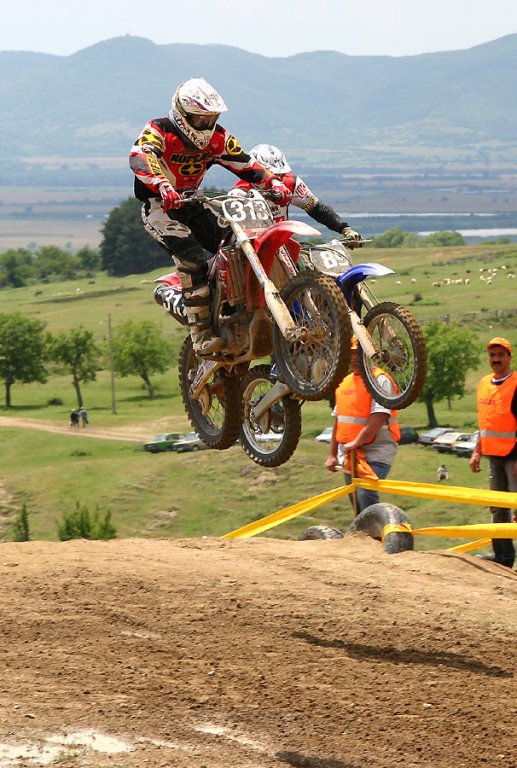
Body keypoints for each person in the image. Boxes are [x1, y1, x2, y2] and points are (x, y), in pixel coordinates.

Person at [129, 78, 291, 355]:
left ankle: (238, 305)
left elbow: (245, 163)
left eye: (211, 118)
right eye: (199, 118)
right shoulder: (159, 130)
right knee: (193, 259)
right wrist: (161, 184)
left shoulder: (218, 138)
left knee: (239, 241)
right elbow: (141, 155)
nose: (205, 125)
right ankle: (201, 333)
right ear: (181, 113)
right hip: (161, 208)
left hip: (194, 203)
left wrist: (272, 182)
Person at [325, 336, 400, 515]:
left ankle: (374, 531)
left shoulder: (380, 380)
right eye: (351, 354)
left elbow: (379, 417)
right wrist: (332, 454)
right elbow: (338, 421)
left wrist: (356, 442)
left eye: (359, 353)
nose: (355, 357)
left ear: (370, 355)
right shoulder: (345, 383)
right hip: (349, 454)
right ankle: (363, 530)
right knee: (356, 501)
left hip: (377, 452)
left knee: (366, 493)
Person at [231, 143, 362, 243]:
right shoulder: (240, 191)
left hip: (280, 244)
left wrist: (344, 229)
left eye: (281, 174)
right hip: (248, 245)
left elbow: (317, 209)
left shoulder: (291, 183)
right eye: (273, 174)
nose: (279, 179)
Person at [470, 336, 517, 568]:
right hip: (494, 456)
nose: (496, 359)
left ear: (509, 358)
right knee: (498, 508)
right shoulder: (483, 384)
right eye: (492, 355)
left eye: (500, 355)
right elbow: (485, 422)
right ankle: (503, 558)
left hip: (514, 456)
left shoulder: (516, 383)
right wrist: (477, 451)